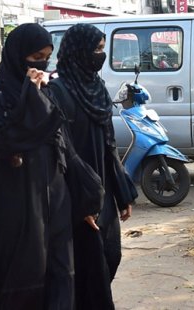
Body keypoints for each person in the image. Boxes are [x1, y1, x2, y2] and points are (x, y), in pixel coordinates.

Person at [0, 23, 103, 310]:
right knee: (16, 280)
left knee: (62, 277)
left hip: (57, 201)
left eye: (47, 56)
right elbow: (4, 141)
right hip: (17, 205)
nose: (42, 64)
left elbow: (66, 149)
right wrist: (30, 96)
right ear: (18, 55)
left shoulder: (49, 91)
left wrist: (86, 199)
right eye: (36, 57)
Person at [49, 23, 137, 310]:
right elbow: (62, 151)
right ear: (78, 51)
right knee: (88, 268)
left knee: (111, 255)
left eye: (102, 48)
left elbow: (109, 143)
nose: (101, 54)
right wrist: (82, 201)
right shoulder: (57, 91)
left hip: (104, 187)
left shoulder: (96, 86)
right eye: (97, 49)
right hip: (77, 193)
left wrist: (122, 191)